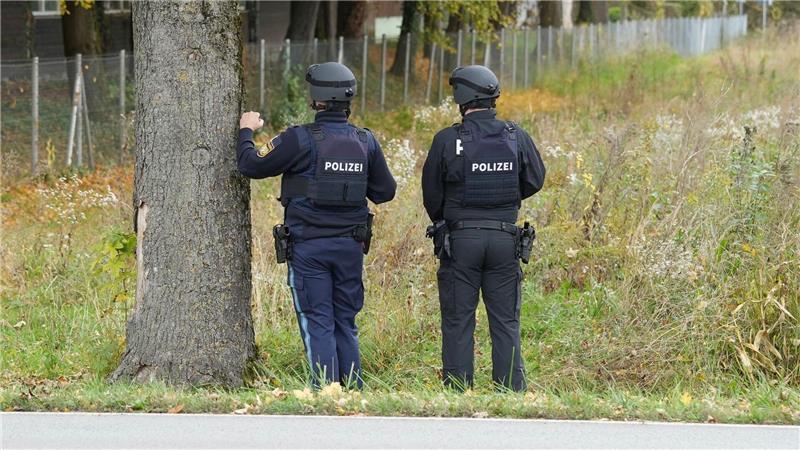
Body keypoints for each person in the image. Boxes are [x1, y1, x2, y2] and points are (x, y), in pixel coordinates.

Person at [237, 62, 396, 388]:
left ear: (316, 100)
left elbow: (250, 164)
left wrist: (246, 131)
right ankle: (352, 391)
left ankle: (325, 393)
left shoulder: (299, 139)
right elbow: (385, 191)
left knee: (318, 321)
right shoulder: (366, 141)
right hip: (350, 248)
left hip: (309, 249)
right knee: (345, 322)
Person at [421, 65, 546, 391]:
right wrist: (505, 204)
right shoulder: (515, 135)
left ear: (462, 98)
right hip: (506, 237)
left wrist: (455, 215)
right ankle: (509, 391)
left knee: (458, 319)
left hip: (460, 240)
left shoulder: (448, 139)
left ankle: (458, 391)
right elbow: (535, 179)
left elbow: (431, 195)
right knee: (506, 320)